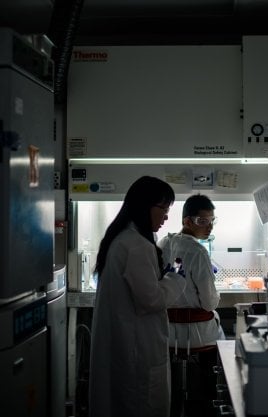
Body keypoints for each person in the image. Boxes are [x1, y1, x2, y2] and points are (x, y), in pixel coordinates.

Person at [89, 176, 186, 417]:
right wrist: (176, 278)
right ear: (145, 206)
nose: (166, 217)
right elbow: (151, 299)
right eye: (164, 209)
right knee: (142, 403)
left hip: (127, 345)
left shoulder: (124, 238)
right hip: (137, 350)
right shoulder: (136, 245)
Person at [157, 194, 224, 417]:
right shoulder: (198, 251)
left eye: (212, 221)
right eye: (202, 221)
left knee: (168, 392)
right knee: (209, 383)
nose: (209, 227)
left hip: (167, 336)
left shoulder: (163, 243)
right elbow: (208, 302)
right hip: (198, 338)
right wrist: (217, 294)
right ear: (187, 221)